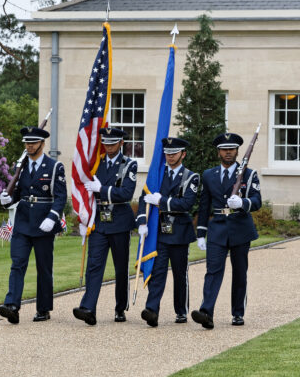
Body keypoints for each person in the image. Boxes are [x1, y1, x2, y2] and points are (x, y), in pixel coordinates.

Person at [0, 126, 67, 324]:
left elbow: (60, 197)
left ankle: (43, 308)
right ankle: (12, 305)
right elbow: (19, 192)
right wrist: (7, 199)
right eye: (27, 143)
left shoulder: (54, 167)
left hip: (43, 223)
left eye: (33, 143)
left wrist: (52, 217)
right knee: (17, 264)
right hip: (23, 222)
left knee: (44, 268)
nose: (29, 146)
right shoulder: (21, 166)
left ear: (42, 144)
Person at [191, 132, 262, 329]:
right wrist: (201, 233)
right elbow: (204, 206)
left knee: (240, 273)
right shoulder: (208, 175)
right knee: (212, 271)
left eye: (231, 149)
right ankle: (206, 312)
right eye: (224, 149)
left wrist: (243, 202)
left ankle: (238, 313)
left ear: (238, 151)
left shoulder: (248, 174)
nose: (228, 152)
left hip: (240, 227)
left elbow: (257, 201)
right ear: (218, 152)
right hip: (218, 228)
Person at [73, 127, 138, 325]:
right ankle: (88, 308)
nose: (109, 146)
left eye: (113, 143)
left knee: (120, 268)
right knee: (94, 266)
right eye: (106, 143)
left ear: (121, 143)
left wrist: (101, 189)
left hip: (119, 220)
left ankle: (120, 308)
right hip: (99, 220)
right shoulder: (95, 164)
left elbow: (126, 193)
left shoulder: (129, 165)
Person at [137, 137, 199, 327]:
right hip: (160, 231)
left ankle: (181, 311)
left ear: (183, 154)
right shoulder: (157, 174)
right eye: (167, 153)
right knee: (158, 272)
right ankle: (152, 310)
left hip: (179, 231)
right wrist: (142, 221)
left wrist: (162, 201)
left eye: (174, 153)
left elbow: (187, 203)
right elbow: (144, 196)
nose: (170, 157)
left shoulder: (191, 177)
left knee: (180, 274)